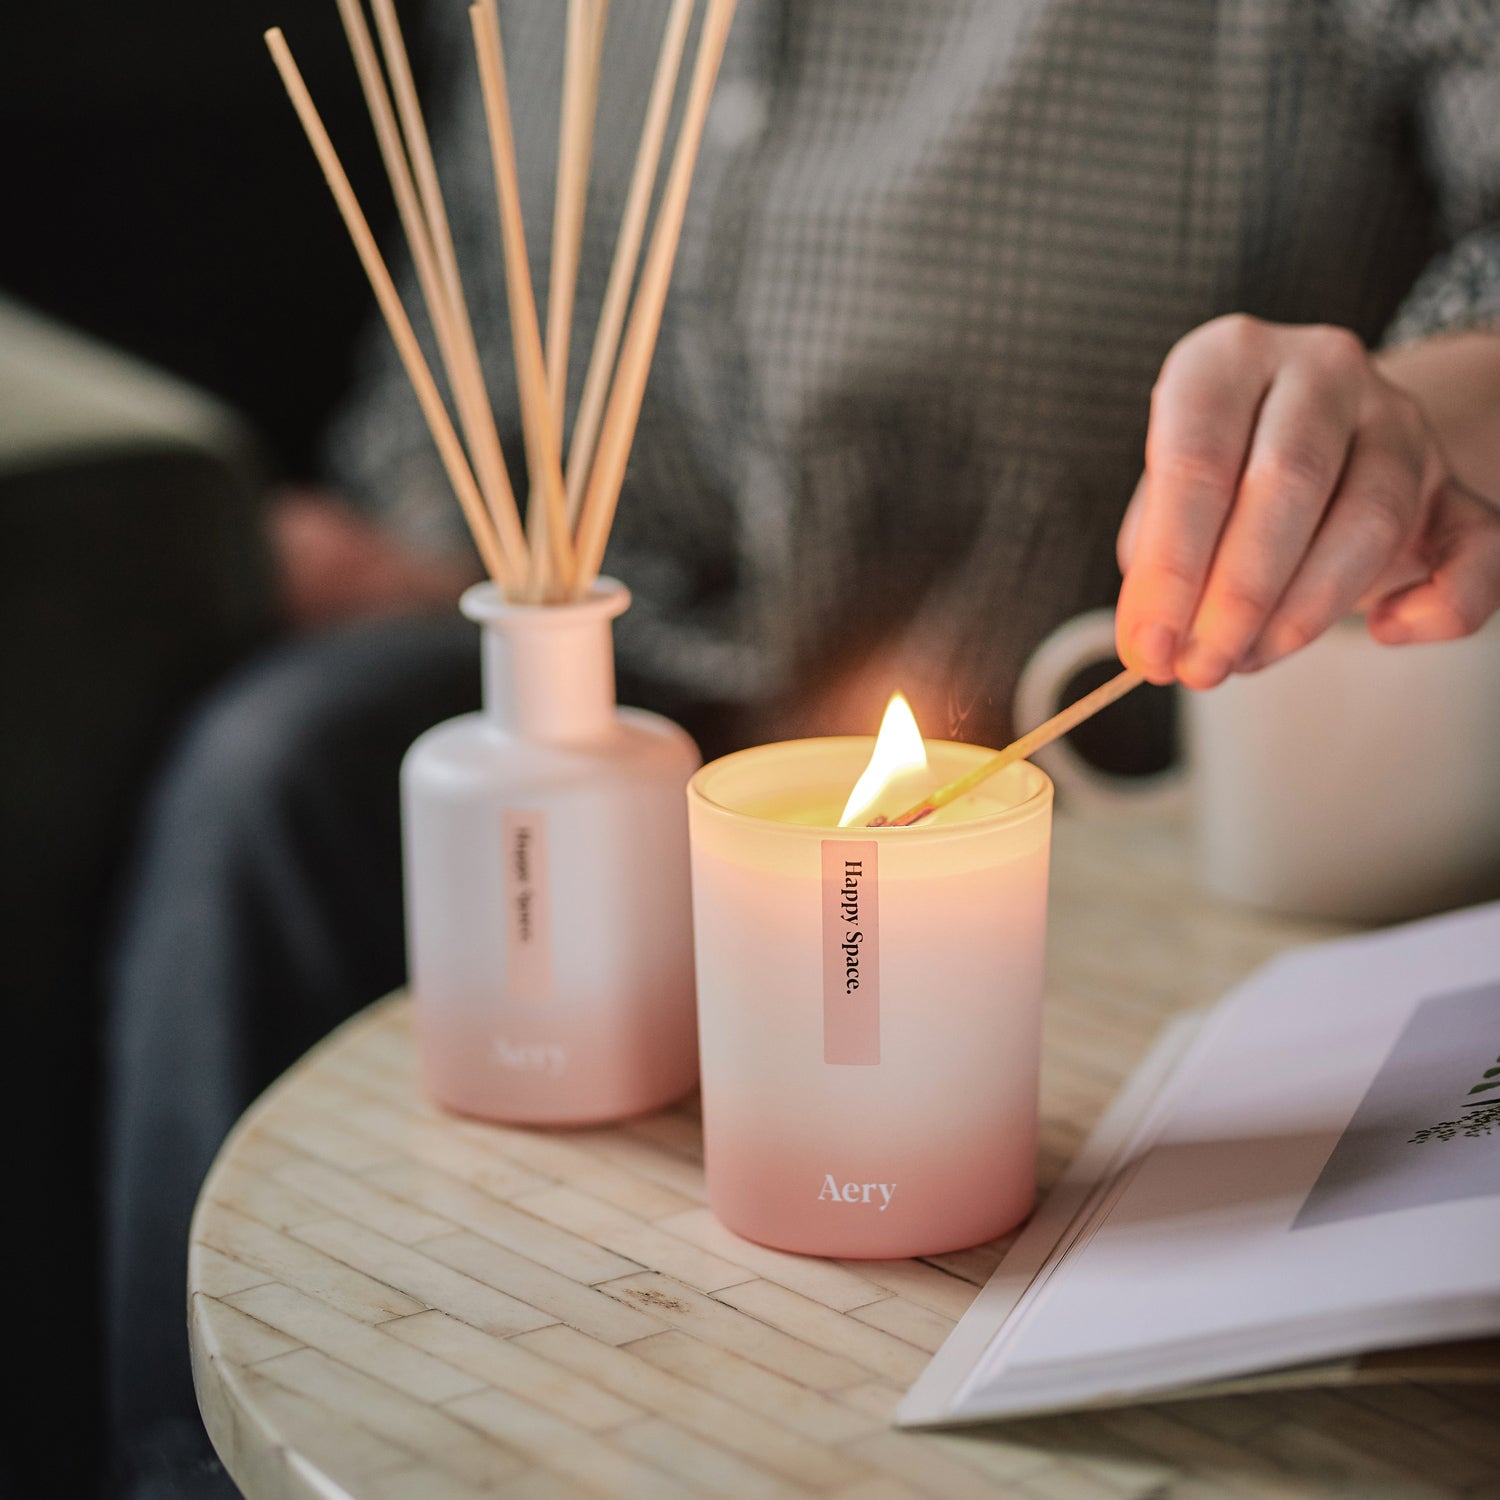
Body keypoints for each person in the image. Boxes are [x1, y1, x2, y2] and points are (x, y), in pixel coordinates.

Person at [103, 1, 1500, 1494]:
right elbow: (474, 298)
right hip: (624, 632)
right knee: (278, 767)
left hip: (1063, 709)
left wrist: (1409, 415)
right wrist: (412, 532)